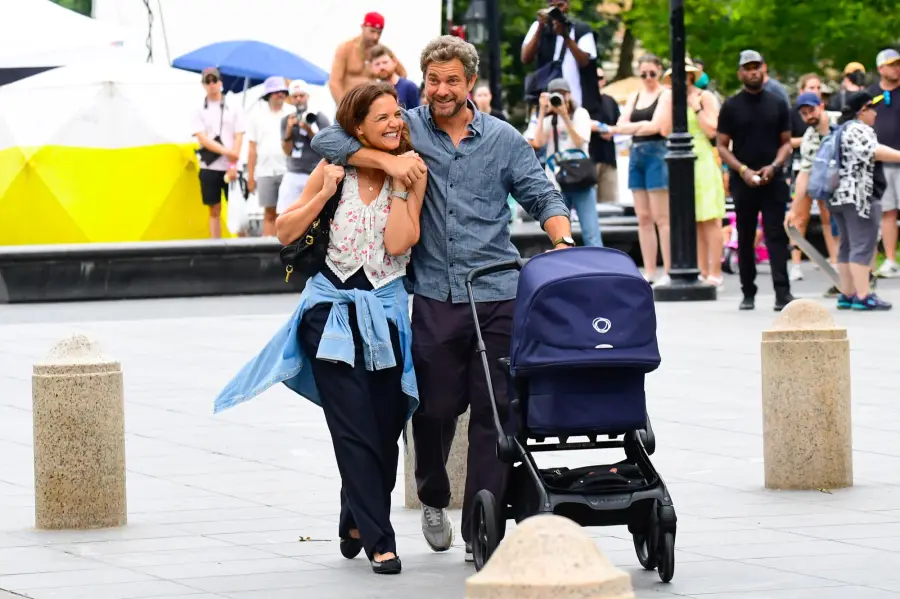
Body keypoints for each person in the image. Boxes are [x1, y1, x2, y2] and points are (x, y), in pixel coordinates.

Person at [312, 35, 571, 563]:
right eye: (433, 80)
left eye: (452, 80)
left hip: (498, 294)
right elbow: (329, 141)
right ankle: (433, 496)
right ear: (424, 80)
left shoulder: (502, 139)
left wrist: (562, 239)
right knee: (432, 411)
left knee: (495, 413)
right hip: (433, 296)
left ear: (470, 83)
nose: (442, 90)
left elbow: (542, 194)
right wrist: (385, 164)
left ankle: (482, 519)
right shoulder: (405, 127)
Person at [214, 82, 425, 575]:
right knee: (352, 429)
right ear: (357, 130)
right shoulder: (334, 168)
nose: (396, 123)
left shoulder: (414, 172)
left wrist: (397, 181)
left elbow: (399, 242)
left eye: (397, 115)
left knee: (385, 428)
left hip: (386, 315)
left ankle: (354, 514)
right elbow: (285, 230)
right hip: (328, 315)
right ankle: (380, 540)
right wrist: (324, 193)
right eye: (383, 118)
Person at [716, 50, 795, 311]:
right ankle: (747, 292)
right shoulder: (731, 106)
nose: (752, 72)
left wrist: (774, 166)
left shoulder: (778, 102)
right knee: (746, 235)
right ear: (740, 73)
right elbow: (722, 145)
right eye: (747, 68)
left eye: (756, 67)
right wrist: (742, 170)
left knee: (775, 234)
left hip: (773, 178)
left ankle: (782, 293)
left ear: (764, 68)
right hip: (744, 180)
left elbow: (786, 143)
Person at [830, 90, 900, 310]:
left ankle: (847, 293)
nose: (875, 114)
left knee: (847, 245)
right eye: (871, 108)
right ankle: (863, 295)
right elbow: (872, 151)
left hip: (838, 195)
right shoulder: (859, 129)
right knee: (863, 244)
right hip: (859, 196)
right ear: (862, 111)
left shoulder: (840, 130)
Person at [608, 53, 672, 284]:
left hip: (657, 152)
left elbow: (658, 126)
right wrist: (637, 127)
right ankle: (650, 270)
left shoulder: (666, 95)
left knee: (661, 217)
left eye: (652, 73)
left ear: (659, 71)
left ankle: (669, 269)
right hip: (637, 153)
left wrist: (628, 128)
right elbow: (621, 123)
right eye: (643, 73)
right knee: (643, 217)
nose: (647, 77)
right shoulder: (635, 95)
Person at [662, 61, 726, 287]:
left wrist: (696, 107)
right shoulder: (673, 101)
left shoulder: (704, 97)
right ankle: (701, 269)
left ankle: (715, 271)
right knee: (694, 219)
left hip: (703, 159)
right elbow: (663, 130)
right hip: (682, 163)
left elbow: (713, 130)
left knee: (710, 218)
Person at [526, 78, 602, 247]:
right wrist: (542, 113)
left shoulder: (580, 114)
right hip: (557, 180)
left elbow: (579, 141)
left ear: (569, 95)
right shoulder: (548, 118)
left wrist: (565, 117)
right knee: (561, 234)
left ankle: (600, 268)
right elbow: (537, 143)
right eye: (556, 94)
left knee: (590, 231)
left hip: (580, 177)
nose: (560, 98)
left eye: (563, 94)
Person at [786, 92, 842, 296]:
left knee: (849, 228)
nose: (809, 116)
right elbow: (804, 174)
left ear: (821, 106)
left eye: (812, 110)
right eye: (804, 113)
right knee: (828, 222)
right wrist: (793, 208)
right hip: (828, 185)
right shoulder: (809, 138)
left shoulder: (841, 122)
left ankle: (862, 276)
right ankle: (839, 275)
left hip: (851, 185)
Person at [191, 67, 246, 239]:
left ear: (220, 82)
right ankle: (215, 246)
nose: (212, 84)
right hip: (210, 165)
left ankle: (244, 245)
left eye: (214, 80)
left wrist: (233, 160)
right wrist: (227, 152)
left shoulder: (233, 105)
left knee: (237, 206)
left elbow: (239, 134)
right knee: (214, 208)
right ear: (203, 85)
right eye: (208, 81)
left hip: (232, 167)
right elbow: (202, 138)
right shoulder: (199, 108)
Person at [520, 0, 599, 112]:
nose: (557, 10)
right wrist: (540, 28)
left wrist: (566, 37)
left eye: (560, 6)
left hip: (576, 100)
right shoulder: (539, 27)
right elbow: (525, 58)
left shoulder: (581, 29)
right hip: (545, 101)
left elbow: (585, 61)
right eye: (552, 7)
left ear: (568, 5)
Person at [246, 76, 293, 237]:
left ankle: (285, 250)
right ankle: (268, 251)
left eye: (282, 91)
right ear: (268, 94)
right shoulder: (256, 116)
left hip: (289, 170)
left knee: (287, 213)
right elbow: (252, 148)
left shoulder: (291, 113)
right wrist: (250, 176)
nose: (280, 94)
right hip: (265, 171)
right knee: (269, 213)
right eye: (276, 91)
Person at [868, 49, 900, 278]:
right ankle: (890, 259)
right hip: (882, 161)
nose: (896, 68)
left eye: (898, 64)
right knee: (888, 211)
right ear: (880, 68)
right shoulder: (871, 95)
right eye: (891, 65)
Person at [329, 12, 407, 104]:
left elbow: (402, 74)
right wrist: (344, 108)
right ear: (363, 27)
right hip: (349, 106)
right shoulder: (346, 48)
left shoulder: (382, 52)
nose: (375, 36)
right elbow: (334, 82)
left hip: (374, 108)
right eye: (372, 31)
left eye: (379, 33)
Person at [278, 80, 331, 215]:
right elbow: (287, 151)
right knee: (287, 213)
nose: (299, 99)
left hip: (314, 172)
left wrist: (309, 130)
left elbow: (327, 147)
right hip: (294, 171)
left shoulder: (319, 117)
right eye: (295, 97)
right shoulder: (287, 119)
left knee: (315, 214)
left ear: (307, 96)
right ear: (290, 99)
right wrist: (289, 129)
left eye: (301, 95)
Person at [588, 66, 621, 204]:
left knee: (610, 203)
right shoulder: (584, 101)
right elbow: (579, 122)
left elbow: (620, 124)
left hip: (608, 158)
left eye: (600, 78)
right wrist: (602, 129)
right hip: (589, 159)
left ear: (604, 81)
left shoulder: (610, 101)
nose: (597, 81)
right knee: (589, 202)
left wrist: (611, 131)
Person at [369, 44, 420, 109]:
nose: (381, 67)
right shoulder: (372, 92)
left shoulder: (409, 87)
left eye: (385, 62)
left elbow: (416, 116)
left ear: (394, 62)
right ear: (371, 67)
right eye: (377, 64)